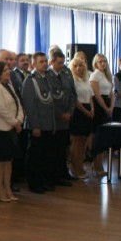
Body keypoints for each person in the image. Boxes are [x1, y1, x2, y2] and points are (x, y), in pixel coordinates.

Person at [21, 52, 56, 194]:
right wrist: (35, 125)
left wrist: (53, 125)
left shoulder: (46, 79)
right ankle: (34, 183)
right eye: (41, 61)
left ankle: (43, 180)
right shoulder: (30, 80)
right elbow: (30, 106)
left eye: (46, 61)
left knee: (45, 155)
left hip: (48, 124)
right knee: (35, 156)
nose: (45, 63)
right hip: (38, 125)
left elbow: (51, 104)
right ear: (33, 64)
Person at [0, 61, 23, 202]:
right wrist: (14, 122)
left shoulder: (9, 86)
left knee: (9, 161)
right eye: (4, 71)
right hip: (0, 129)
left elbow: (18, 104)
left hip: (11, 129)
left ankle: (7, 188)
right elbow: (0, 108)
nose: (8, 72)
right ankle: (0, 190)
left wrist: (19, 119)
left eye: (8, 70)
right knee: (0, 161)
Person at [46, 49, 76, 186]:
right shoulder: (47, 75)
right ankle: (54, 176)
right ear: (51, 62)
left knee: (64, 147)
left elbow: (72, 94)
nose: (62, 65)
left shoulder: (66, 73)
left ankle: (63, 172)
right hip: (54, 119)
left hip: (66, 118)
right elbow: (49, 99)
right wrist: (60, 114)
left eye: (63, 62)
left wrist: (69, 112)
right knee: (53, 149)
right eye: (59, 63)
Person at [89, 53, 114, 176]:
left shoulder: (107, 75)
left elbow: (112, 93)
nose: (103, 63)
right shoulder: (95, 75)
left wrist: (111, 107)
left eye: (104, 61)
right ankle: (96, 164)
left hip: (107, 105)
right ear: (96, 64)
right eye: (100, 61)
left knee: (105, 136)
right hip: (99, 107)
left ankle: (100, 164)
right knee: (98, 136)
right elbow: (97, 95)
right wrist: (105, 107)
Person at [69, 58, 94, 179]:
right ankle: (75, 168)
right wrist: (85, 111)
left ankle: (80, 166)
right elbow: (75, 100)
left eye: (81, 66)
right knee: (77, 142)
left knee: (84, 141)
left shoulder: (86, 79)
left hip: (88, 110)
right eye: (76, 66)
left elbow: (90, 97)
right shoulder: (72, 80)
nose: (78, 68)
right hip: (78, 112)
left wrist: (92, 109)